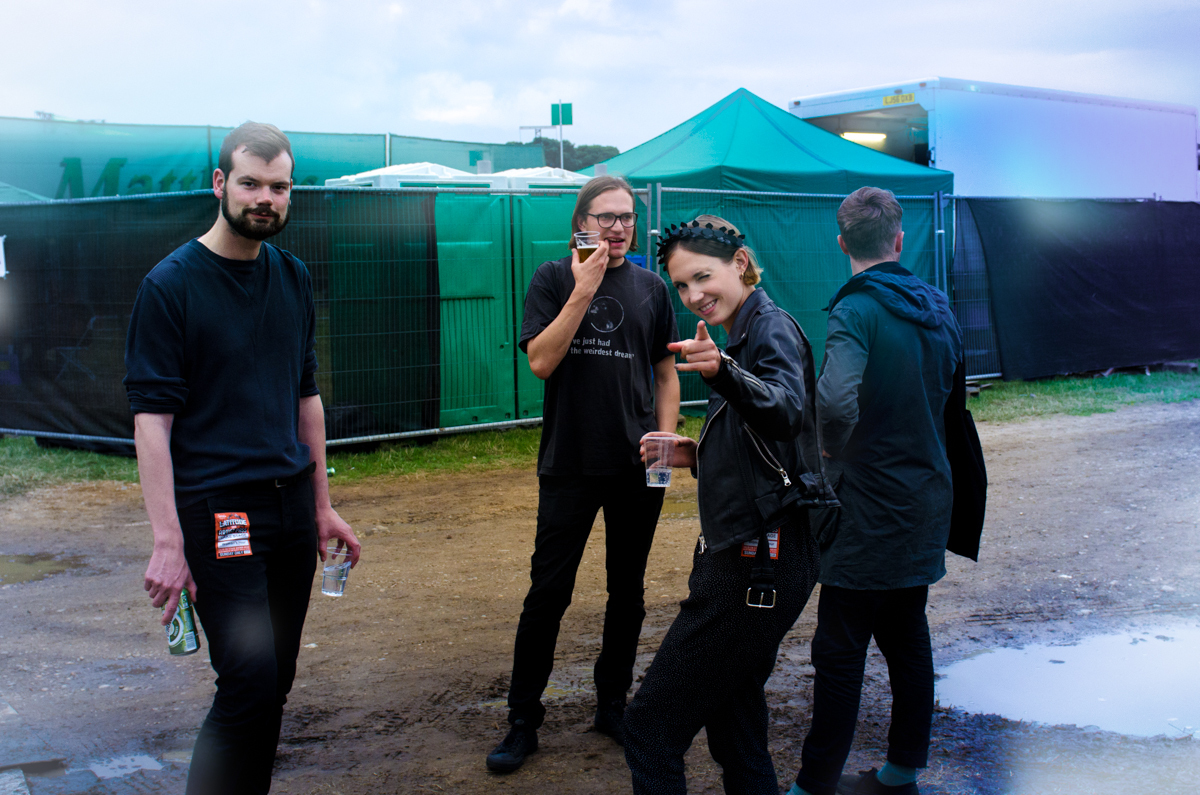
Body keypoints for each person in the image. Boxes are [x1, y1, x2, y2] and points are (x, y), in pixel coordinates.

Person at [125, 122, 361, 795]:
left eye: (279, 186)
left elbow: (305, 399)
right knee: (249, 681)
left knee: (273, 685)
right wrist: (167, 540)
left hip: (289, 507)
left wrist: (321, 505)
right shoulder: (170, 285)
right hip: (218, 511)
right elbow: (152, 423)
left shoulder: (292, 277)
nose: (266, 197)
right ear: (220, 183)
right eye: (252, 182)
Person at [622, 216, 834, 794]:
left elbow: (788, 409)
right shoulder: (744, 329)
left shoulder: (769, 329)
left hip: (756, 562)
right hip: (756, 553)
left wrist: (723, 371)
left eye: (702, 277)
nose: (693, 295)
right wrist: (697, 451)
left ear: (739, 264)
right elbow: (768, 443)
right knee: (735, 722)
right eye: (682, 286)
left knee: (649, 727)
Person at [486, 175, 680, 773]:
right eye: (605, 217)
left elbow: (666, 372)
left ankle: (611, 705)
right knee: (548, 593)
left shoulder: (650, 287)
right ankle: (523, 721)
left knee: (628, 593)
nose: (616, 228)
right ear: (581, 221)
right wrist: (584, 285)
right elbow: (541, 362)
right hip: (570, 463)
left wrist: (666, 442)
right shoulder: (551, 277)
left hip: (635, 466)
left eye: (625, 218)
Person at [787, 187, 962, 795]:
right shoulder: (937, 306)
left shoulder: (855, 310)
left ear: (841, 245)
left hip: (864, 509)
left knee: (839, 652)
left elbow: (835, 398)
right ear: (899, 239)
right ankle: (902, 770)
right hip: (925, 500)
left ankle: (813, 786)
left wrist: (832, 445)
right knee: (908, 637)